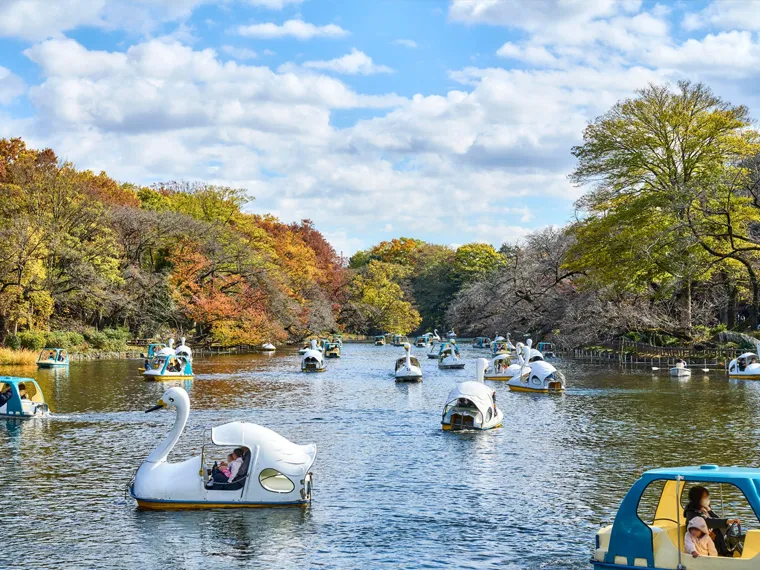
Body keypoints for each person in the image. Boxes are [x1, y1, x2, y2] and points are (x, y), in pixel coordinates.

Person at [684, 485, 739, 557]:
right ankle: (725, 553)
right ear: (698, 499)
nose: (707, 499)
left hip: (706, 536)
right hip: (697, 539)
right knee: (719, 530)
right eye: (705, 497)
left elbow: (715, 518)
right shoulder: (692, 513)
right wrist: (726, 521)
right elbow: (708, 522)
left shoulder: (702, 509)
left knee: (728, 528)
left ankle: (731, 549)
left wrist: (710, 511)